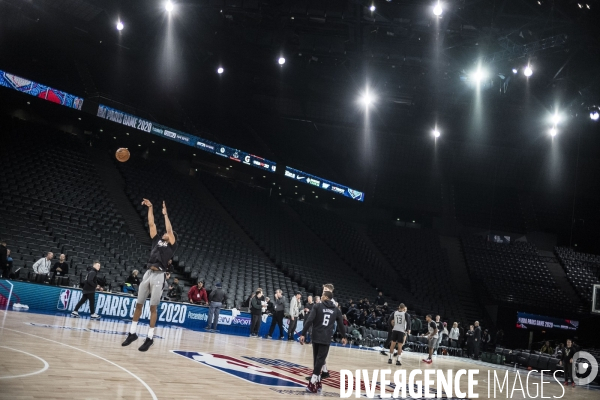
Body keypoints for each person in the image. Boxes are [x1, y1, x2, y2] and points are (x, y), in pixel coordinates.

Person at [122, 200, 178, 352]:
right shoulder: (157, 240)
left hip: (159, 275)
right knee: (139, 304)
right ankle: (132, 333)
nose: (165, 233)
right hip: (148, 273)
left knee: (153, 307)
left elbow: (170, 229)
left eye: (168, 233)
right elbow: (151, 223)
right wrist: (151, 208)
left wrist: (165, 214)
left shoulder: (172, 245)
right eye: (165, 233)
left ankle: (150, 338)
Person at [299, 290, 346, 393]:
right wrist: (344, 336)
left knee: (317, 360)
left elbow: (309, 320)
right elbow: (341, 325)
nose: (321, 296)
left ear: (325, 297)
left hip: (316, 336)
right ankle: (318, 382)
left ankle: (312, 383)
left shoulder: (317, 306)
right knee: (320, 360)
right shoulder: (336, 310)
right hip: (326, 338)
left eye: (322, 295)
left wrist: (303, 334)